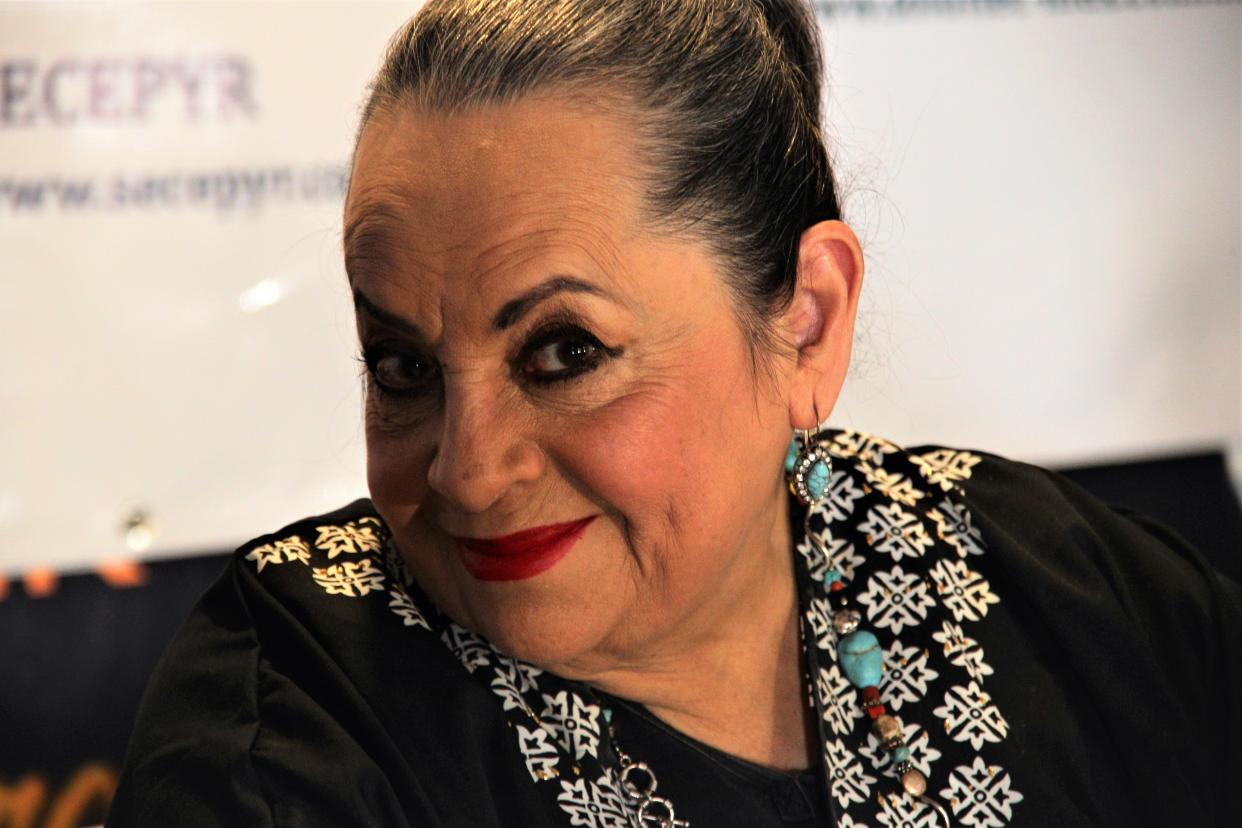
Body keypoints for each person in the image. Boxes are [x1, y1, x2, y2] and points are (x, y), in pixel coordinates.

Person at [107, 1, 1242, 826]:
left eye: (563, 353)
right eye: (403, 367)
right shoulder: (292, 728)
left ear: (806, 320)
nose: (468, 471)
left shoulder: (1064, 591)